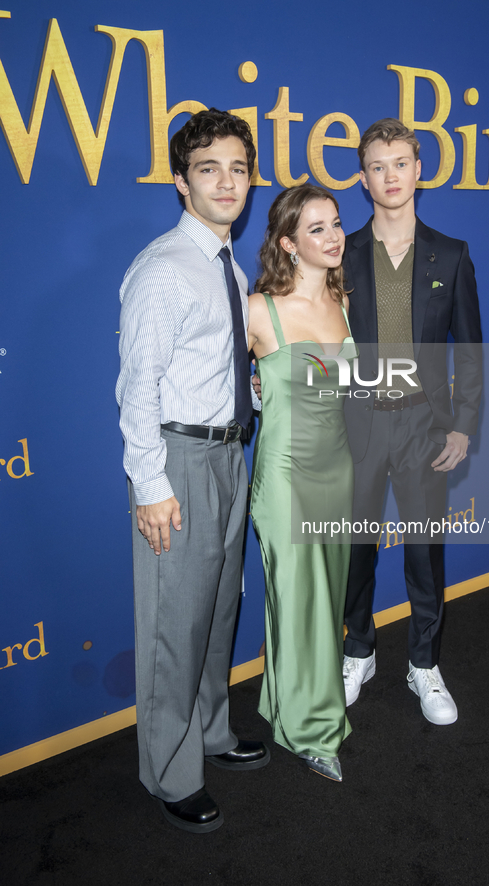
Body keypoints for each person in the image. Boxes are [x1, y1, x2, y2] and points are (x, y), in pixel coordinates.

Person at [116, 109, 269, 834]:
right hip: (177, 461)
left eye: (238, 168)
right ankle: (170, 770)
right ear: (182, 183)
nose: (226, 181)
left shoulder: (228, 267)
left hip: (228, 453)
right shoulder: (163, 269)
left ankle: (209, 733)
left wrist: (256, 391)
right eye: (209, 168)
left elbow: (213, 366)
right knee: (175, 625)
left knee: (215, 616)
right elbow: (137, 386)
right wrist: (151, 486)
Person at [342, 119, 482, 724]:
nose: (390, 175)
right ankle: (359, 649)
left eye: (400, 162)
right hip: (358, 424)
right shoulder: (339, 252)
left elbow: (470, 349)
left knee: (425, 552)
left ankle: (423, 664)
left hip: (426, 426)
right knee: (354, 550)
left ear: (418, 171)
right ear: (364, 178)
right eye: (377, 165)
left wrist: (463, 424)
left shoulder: (451, 255)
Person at [247, 185, 355, 782]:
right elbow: (220, 389)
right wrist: (259, 397)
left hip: (338, 472)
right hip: (285, 476)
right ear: (288, 244)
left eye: (335, 223)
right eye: (316, 228)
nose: (333, 236)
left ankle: (285, 704)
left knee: (325, 601)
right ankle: (311, 732)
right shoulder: (258, 309)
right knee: (299, 601)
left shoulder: (345, 304)